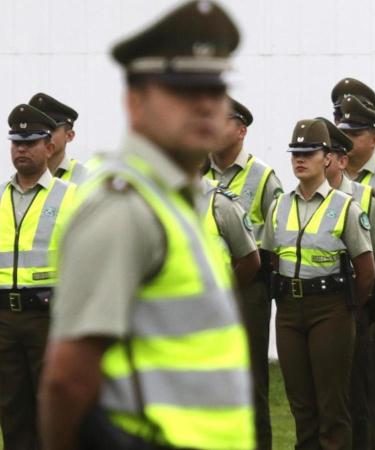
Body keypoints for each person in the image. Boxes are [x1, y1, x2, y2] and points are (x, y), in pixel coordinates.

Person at [39, 2, 255, 450]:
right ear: (134, 101)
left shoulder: (172, 198)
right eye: (181, 90)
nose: (205, 105)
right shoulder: (125, 208)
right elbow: (67, 379)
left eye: (215, 90)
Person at [262, 118, 375, 450]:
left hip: (331, 309)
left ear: (327, 157)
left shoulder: (345, 207)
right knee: (301, 403)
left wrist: (348, 310)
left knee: (332, 406)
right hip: (288, 310)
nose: (300, 159)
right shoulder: (280, 205)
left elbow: (366, 269)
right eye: (295, 153)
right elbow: (271, 257)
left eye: (308, 153)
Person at [320, 116, 375, 450]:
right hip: (319, 310)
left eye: (325, 154)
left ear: (340, 159)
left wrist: (360, 300)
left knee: (364, 394)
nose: (319, 160)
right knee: (325, 397)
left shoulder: (368, 198)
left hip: (360, 307)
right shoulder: (296, 199)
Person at [206, 96, 281, 450]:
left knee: (250, 380)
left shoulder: (263, 177)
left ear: (240, 130)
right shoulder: (196, 171)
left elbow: (278, 235)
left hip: (248, 287)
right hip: (203, 292)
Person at [0, 104, 76, 450]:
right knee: (12, 412)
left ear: (49, 147)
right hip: (4, 321)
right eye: (16, 142)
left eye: (30, 142)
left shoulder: (71, 197)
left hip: (50, 319)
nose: (21, 149)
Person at [28, 93, 88, 184]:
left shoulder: (84, 177)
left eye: (49, 129)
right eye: (36, 130)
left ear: (69, 136)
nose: (41, 135)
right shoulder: (20, 179)